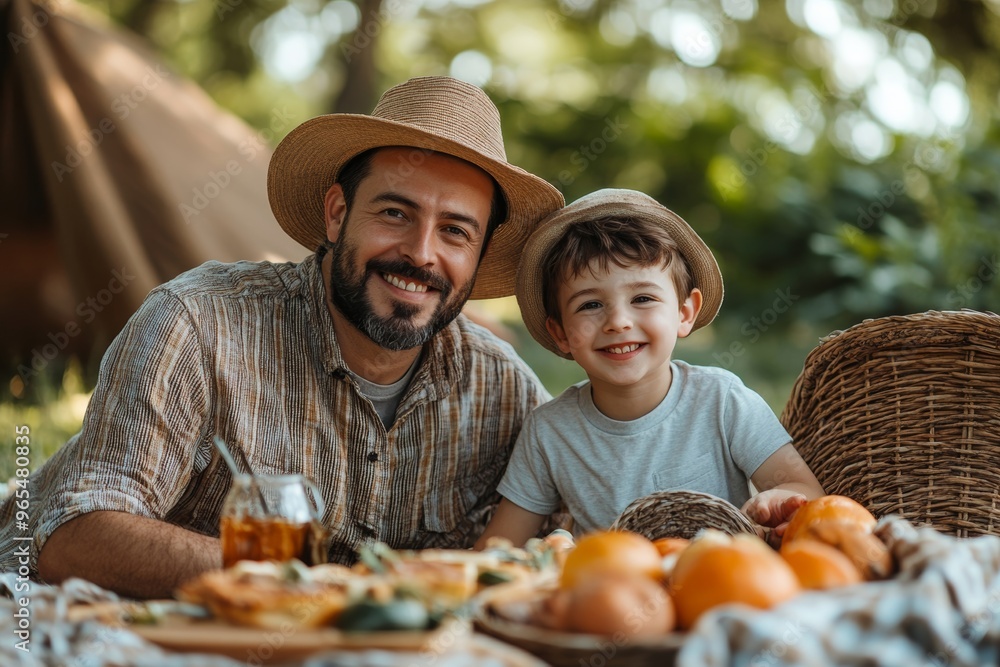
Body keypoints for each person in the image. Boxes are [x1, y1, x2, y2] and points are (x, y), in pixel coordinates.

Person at [0, 76, 565, 599]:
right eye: (395, 212)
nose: (421, 253)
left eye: (455, 231)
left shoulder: (502, 390)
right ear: (338, 213)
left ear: (479, 255)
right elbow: (74, 538)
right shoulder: (198, 323)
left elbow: (580, 539)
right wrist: (317, 588)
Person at [475, 189, 824, 549]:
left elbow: (806, 492)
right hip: (610, 593)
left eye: (642, 299)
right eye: (591, 304)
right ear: (561, 333)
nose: (618, 322)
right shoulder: (549, 432)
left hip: (720, 581)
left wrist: (779, 499)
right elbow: (498, 548)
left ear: (684, 313)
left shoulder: (722, 400)